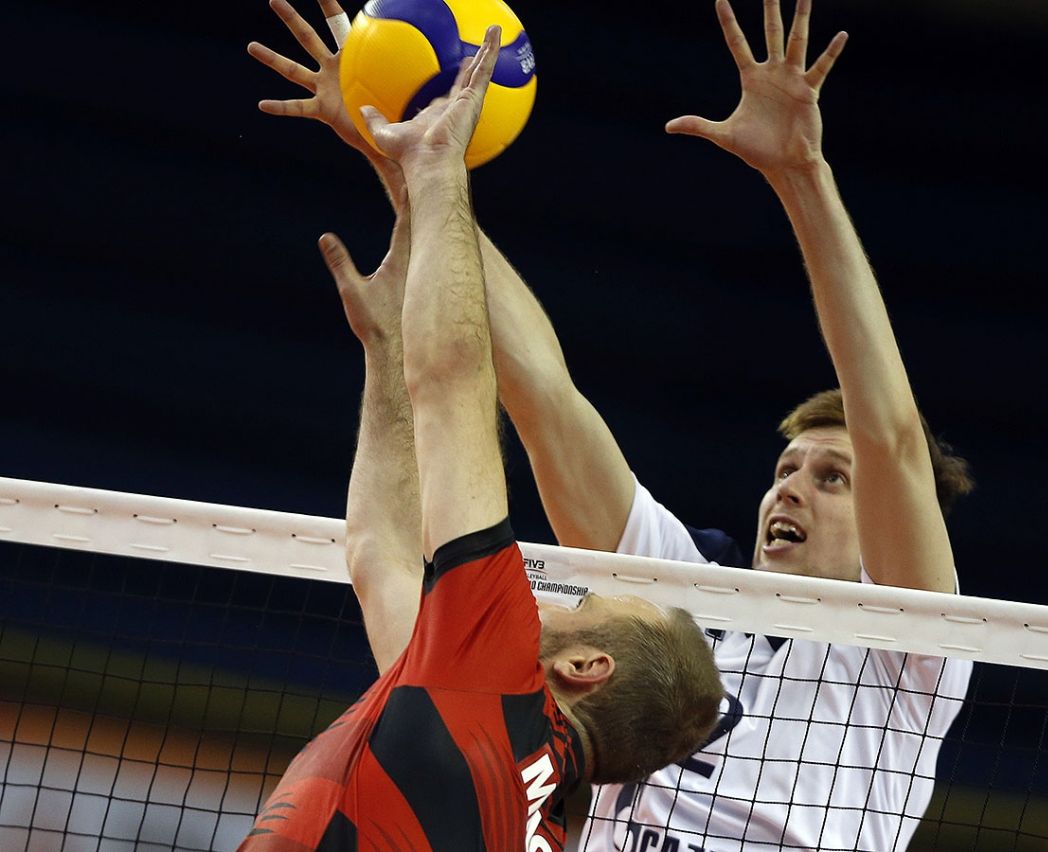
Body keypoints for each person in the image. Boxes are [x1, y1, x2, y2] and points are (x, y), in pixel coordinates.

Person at [248, 0, 974, 848]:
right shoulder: (673, 597)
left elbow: (892, 438)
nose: (790, 488)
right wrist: (398, 150)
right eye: (786, 468)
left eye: (831, 477)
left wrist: (801, 174)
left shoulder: (907, 656)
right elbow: (543, 398)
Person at [240, 26, 723, 850]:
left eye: (586, 604)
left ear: (585, 668)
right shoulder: (533, 808)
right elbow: (381, 555)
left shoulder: (496, 669)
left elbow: (457, 381)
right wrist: (386, 353)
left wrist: (435, 169)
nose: (562, 595)